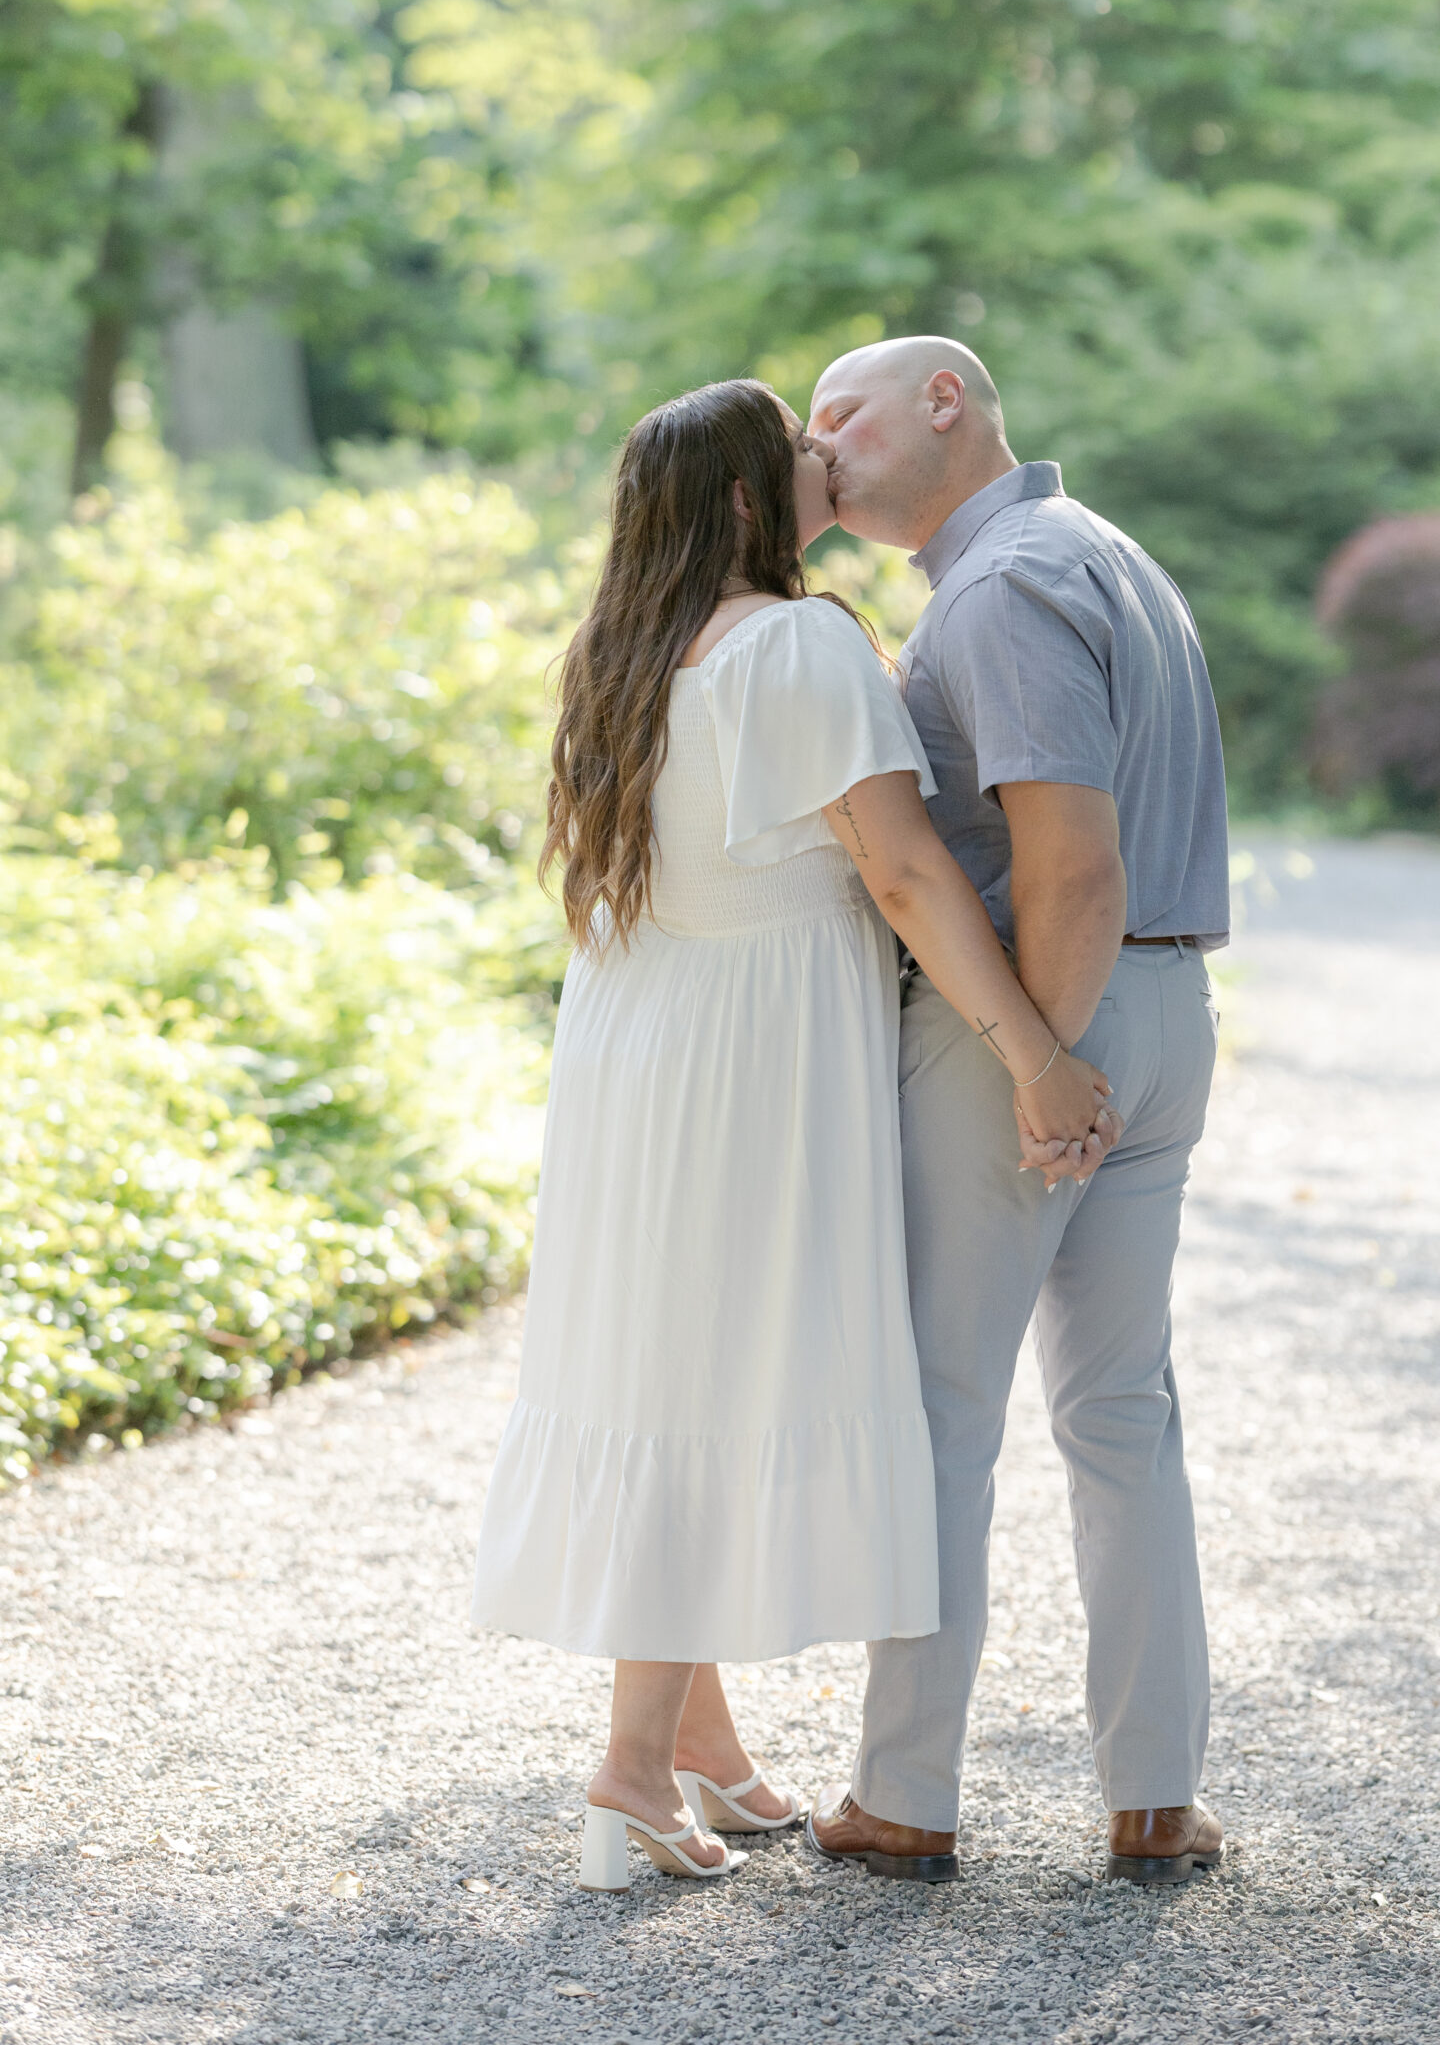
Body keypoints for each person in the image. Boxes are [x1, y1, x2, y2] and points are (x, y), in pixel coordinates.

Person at [470, 378, 1118, 1893]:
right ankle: (628, 1775)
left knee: (659, 1356)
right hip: (749, 1051)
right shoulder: (803, 642)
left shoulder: (621, 652)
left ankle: (705, 1744)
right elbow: (901, 871)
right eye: (806, 450)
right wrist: (1032, 1049)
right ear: (760, 501)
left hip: (641, 1033)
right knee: (708, 1374)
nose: (833, 458)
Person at [804, 335, 1231, 1886]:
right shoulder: (1103, 550)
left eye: (837, 410)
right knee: (1123, 1414)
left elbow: (1069, 862)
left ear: (948, 402)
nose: (816, 442)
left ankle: (906, 1796)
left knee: (943, 1410)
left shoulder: (995, 588)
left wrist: (1039, 1063)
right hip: (1169, 1007)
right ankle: (1154, 1794)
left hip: (1054, 1020)